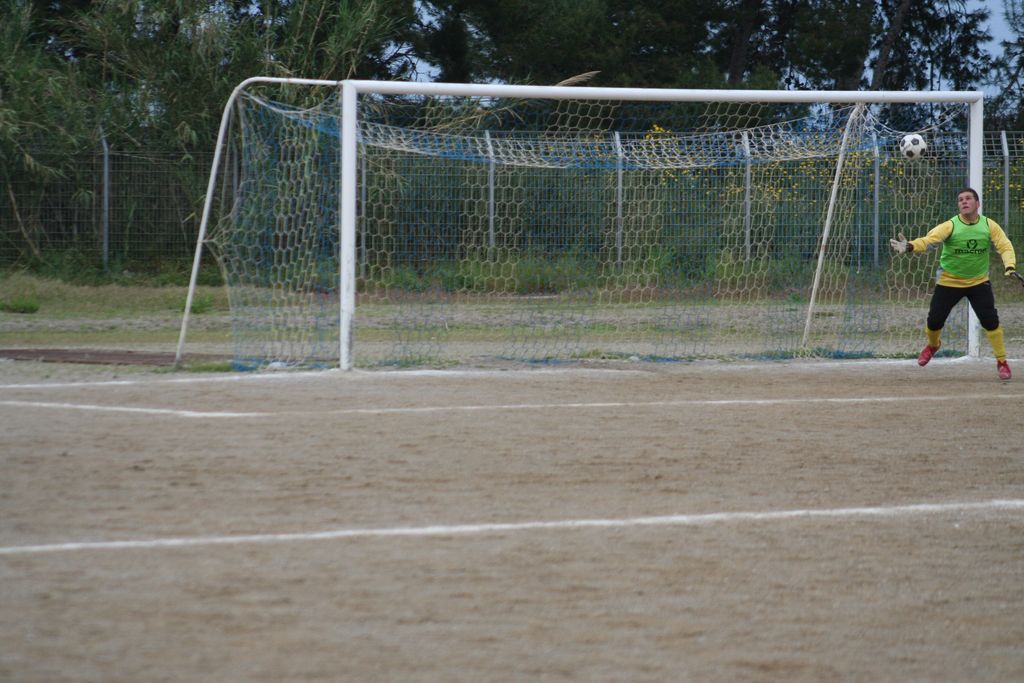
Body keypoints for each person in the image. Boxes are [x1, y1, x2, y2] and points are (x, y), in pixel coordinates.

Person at [890, 187, 1016, 380]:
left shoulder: (989, 225)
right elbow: (929, 241)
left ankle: (1002, 362)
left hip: (979, 281)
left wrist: (1010, 265)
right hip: (949, 281)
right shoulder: (950, 225)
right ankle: (933, 345)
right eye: (960, 199)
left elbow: (1004, 246)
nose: (964, 201)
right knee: (934, 321)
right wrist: (910, 246)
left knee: (990, 321)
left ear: (977, 203)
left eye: (968, 198)